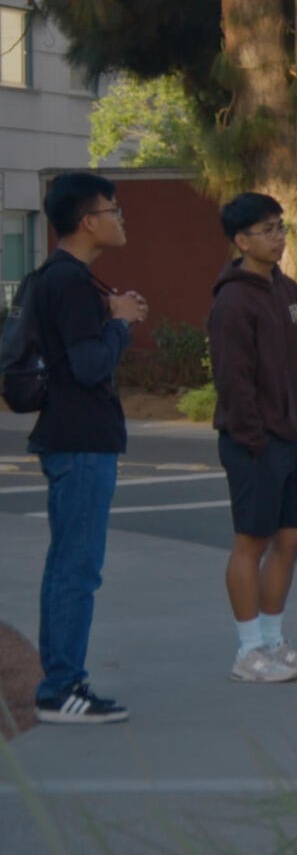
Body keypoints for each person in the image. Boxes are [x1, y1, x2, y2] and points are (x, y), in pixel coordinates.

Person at [20, 172, 145, 724]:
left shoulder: (58, 277)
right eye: (114, 210)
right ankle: (62, 688)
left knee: (65, 567)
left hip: (69, 437)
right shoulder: (70, 283)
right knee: (77, 568)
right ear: (87, 221)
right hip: (81, 440)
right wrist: (119, 324)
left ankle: (59, 683)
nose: (121, 219)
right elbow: (89, 366)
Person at [206, 193, 297, 685]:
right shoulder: (233, 300)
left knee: (293, 538)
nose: (279, 238)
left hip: (288, 439)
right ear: (241, 241)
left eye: (281, 228)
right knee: (250, 543)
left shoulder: (288, 290)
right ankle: (249, 650)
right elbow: (233, 381)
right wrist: (254, 438)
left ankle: (275, 642)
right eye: (268, 230)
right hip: (252, 441)